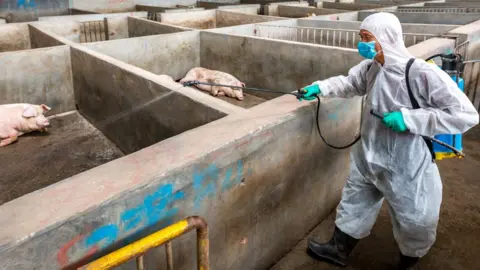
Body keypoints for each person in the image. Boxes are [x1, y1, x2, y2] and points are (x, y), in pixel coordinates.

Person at [298, 12, 479, 270]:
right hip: (369, 154)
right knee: (355, 200)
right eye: (361, 37)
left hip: (406, 161)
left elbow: (465, 114)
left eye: (367, 38)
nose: (362, 43)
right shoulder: (372, 67)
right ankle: (338, 249)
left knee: (414, 215)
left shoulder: (420, 73)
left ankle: (409, 259)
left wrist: (410, 119)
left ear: (386, 38)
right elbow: (349, 83)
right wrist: (320, 88)